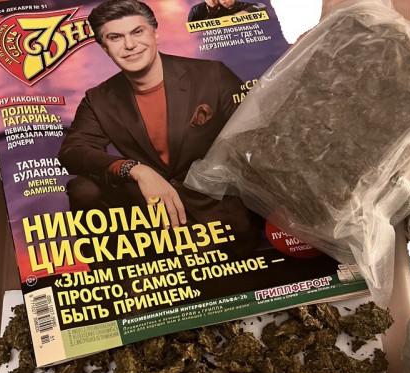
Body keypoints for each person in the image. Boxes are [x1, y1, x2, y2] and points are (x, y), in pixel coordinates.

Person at [59, 0, 261, 253]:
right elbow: (73, 151)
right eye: (115, 37)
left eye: (137, 32)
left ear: (155, 33)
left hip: (214, 208)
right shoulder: (99, 98)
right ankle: (116, 272)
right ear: (104, 47)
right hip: (150, 215)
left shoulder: (212, 75)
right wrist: (136, 170)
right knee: (82, 189)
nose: (129, 45)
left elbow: (255, 140)